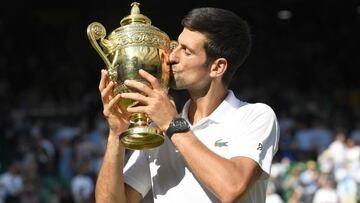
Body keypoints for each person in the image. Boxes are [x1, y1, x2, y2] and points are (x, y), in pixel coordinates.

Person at [96, 7, 280, 203]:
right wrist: (116, 133)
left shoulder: (256, 116)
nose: (172, 57)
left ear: (217, 67)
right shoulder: (158, 128)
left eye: (186, 51)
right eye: (177, 46)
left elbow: (232, 189)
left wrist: (173, 124)